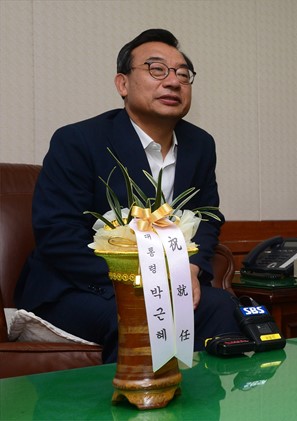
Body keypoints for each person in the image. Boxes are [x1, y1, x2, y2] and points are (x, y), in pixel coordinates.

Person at [15, 28, 241, 363]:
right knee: (143, 316)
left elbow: (206, 217)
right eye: (157, 70)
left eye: (183, 74)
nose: (173, 82)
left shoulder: (200, 145)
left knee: (223, 306)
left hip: (167, 286)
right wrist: (142, 282)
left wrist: (192, 269)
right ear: (122, 84)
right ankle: (133, 398)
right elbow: (58, 235)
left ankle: (203, 397)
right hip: (79, 287)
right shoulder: (79, 141)